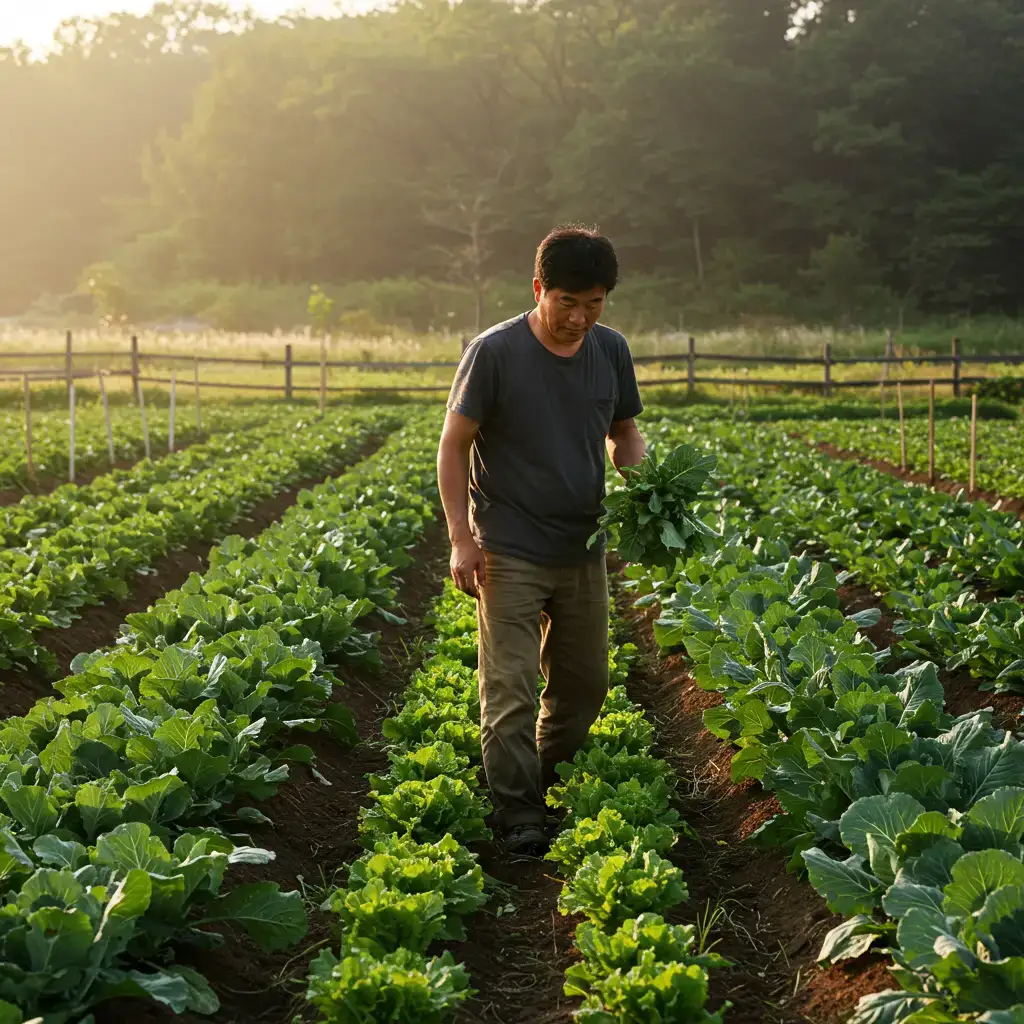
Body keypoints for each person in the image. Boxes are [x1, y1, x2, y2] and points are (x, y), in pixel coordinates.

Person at [436, 224, 647, 855]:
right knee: (511, 688)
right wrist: (460, 538)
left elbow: (625, 434)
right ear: (539, 290)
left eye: (594, 304)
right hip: (508, 545)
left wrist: (648, 483)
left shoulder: (610, 350)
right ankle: (519, 811)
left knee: (584, 686)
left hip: (582, 546)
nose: (580, 318)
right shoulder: (495, 352)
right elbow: (454, 445)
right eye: (568, 303)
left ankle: (545, 779)